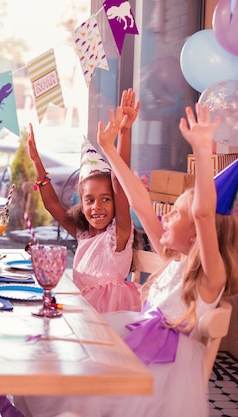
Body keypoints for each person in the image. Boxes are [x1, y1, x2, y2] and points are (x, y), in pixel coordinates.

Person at [12, 104, 238, 417]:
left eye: (177, 213)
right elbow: (140, 204)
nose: (166, 215)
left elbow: (201, 212)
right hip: (134, 342)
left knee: (75, 378)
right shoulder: (173, 257)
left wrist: (201, 149)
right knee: (62, 358)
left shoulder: (208, 277)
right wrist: (109, 148)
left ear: (199, 232)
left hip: (159, 371)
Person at [26, 89, 141, 313]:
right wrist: (36, 162)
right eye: (90, 200)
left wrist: (125, 132)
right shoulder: (83, 234)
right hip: (81, 312)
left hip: (109, 318)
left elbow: (120, 181)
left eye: (106, 199)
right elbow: (53, 206)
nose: (96, 206)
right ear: (82, 203)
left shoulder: (118, 235)